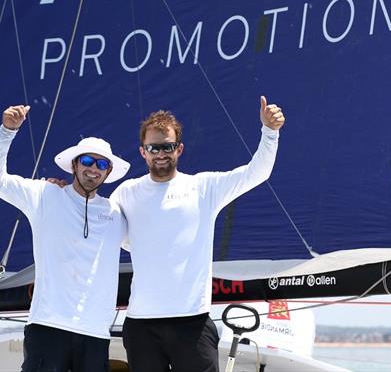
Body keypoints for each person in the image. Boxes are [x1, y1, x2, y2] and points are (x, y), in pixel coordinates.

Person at [110, 95, 285, 372]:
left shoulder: (204, 188)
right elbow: (102, 229)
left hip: (193, 323)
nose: (161, 153)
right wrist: (62, 192)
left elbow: (257, 173)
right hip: (141, 325)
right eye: (153, 148)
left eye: (167, 146)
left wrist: (269, 132)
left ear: (179, 149)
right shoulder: (126, 193)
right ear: (143, 151)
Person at [0, 104, 130, 372]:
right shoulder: (45, 195)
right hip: (47, 327)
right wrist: (7, 131)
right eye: (86, 161)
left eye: (101, 164)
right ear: (74, 165)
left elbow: (154, 243)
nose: (93, 169)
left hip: (95, 333)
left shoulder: (117, 214)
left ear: (108, 172)